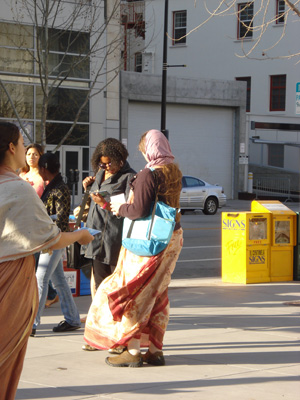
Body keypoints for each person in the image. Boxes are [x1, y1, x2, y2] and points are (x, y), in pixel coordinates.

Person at [0, 121, 93, 400]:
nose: (29, 151)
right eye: (22, 143)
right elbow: (51, 238)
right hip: (11, 276)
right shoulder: (19, 188)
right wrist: (80, 236)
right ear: (12, 147)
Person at [83, 129, 183, 367]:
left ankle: (134, 351)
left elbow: (138, 211)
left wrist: (116, 207)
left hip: (146, 242)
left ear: (150, 150)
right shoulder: (175, 172)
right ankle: (156, 350)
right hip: (171, 237)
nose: (143, 155)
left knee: (130, 293)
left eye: (143, 150)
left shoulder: (149, 174)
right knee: (158, 294)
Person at [79, 138, 135, 351]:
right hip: (95, 238)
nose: (106, 167)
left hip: (114, 239)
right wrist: (89, 186)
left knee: (117, 292)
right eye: (102, 163)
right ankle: (98, 336)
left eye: (109, 163)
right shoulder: (100, 175)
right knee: (99, 290)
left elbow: (130, 210)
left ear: (120, 159)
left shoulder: (130, 178)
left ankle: (119, 339)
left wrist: (105, 203)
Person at [32, 152, 83, 336]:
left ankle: (32, 324)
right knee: (59, 280)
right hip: (51, 239)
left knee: (41, 279)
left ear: (44, 169)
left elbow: (61, 221)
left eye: (40, 169)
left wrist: (44, 225)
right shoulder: (53, 186)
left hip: (53, 240)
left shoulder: (59, 188)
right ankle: (73, 319)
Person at [20, 143, 59, 307]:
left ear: (41, 156)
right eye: (29, 154)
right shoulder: (21, 176)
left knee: (37, 263)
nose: (31, 157)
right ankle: (50, 293)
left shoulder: (45, 178)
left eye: (35, 154)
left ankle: (47, 294)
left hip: (39, 224)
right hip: (22, 223)